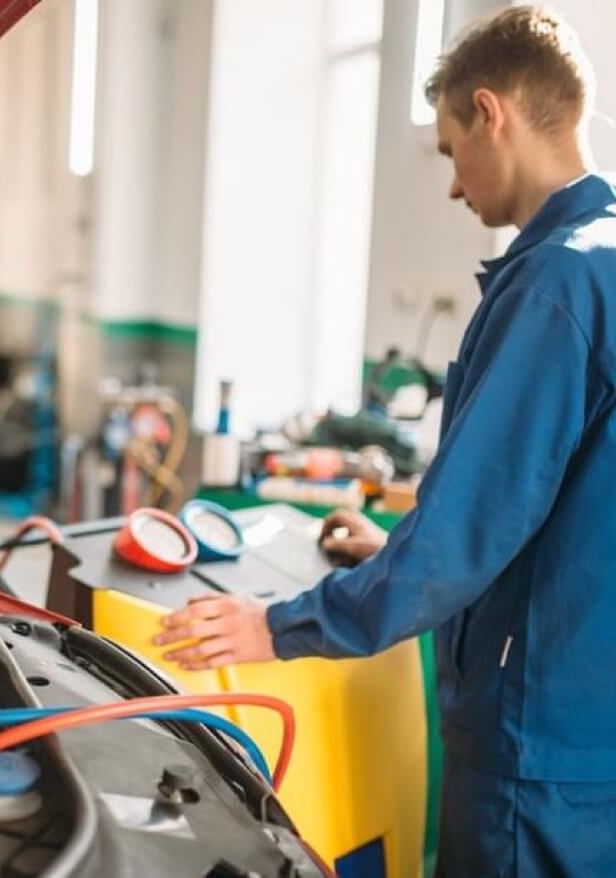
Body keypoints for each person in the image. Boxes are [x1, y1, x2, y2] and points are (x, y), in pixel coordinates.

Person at [156, 7, 616, 875]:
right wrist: (392, 549)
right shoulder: (607, 259)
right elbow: (570, 510)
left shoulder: (554, 283)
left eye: (449, 151)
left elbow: (464, 539)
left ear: (492, 112)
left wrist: (277, 628)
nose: (452, 186)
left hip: (536, 748)